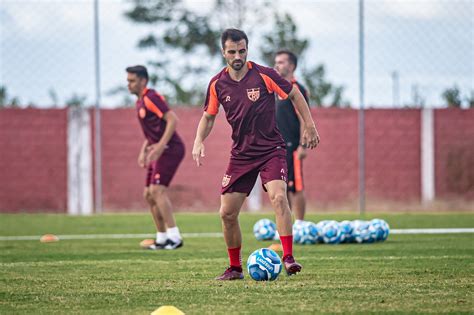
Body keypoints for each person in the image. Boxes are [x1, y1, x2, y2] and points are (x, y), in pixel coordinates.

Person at [192, 29, 320, 280]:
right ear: (223, 52)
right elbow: (208, 117)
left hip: (271, 149)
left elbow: (294, 94)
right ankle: (235, 268)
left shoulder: (264, 75)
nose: (237, 55)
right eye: (232, 51)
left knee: (279, 197)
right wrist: (198, 140)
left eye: (242, 50)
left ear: (247, 50)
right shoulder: (218, 83)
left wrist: (310, 125)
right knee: (226, 213)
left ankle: (289, 258)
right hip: (241, 154)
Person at [126, 65, 185, 250]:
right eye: (128, 81)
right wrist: (144, 150)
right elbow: (152, 132)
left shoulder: (151, 97)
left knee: (157, 190)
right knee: (149, 194)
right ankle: (161, 238)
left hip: (171, 149)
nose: (128, 84)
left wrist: (160, 146)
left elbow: (172, 119)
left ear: (143, 80)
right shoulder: (140, 102)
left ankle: (174, 237)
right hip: (159, 149)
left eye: (132, 80)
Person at [274, 50, 310, 226]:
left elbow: (304, 118)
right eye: (276, 62)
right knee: (281, 188)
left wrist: (303, 145)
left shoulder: (297, 89)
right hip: (277, 147)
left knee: (296, 186)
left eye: (281, 62)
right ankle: (286, 224)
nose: (277, 65)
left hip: (293, 146)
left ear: (291, 65)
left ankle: (301, 224)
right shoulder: (275, 89)